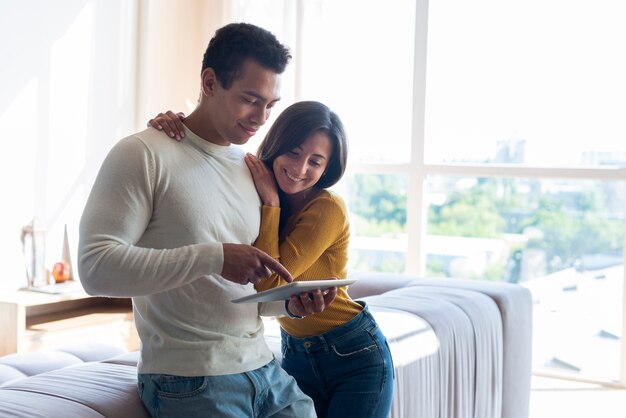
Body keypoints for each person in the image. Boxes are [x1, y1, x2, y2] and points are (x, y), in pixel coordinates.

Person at [78, 23, 337, 418]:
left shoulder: (251, 167)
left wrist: (292, 306)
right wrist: (213, 257)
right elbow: (95, 269)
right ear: (210, 82)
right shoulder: (142, 155)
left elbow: (238, 297)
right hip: (190, 380)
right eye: (250, 99)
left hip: (266, 372)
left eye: (271, 104)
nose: (261, 118)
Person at [150, 100, 395, 418]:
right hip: (294, 351)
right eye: (294, 152)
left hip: (352, 352)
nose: (300, 169)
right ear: (277, 143)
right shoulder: (253, 183)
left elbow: (272, 283)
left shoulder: (326, 208)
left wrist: (272, 203)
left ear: (327, 169)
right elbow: (208, 163)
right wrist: (173, 127)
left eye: (315, 162)